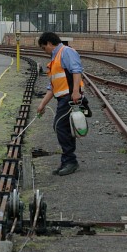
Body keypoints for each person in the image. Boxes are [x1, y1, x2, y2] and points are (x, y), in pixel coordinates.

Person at [36, 31, 85, 176]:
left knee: (60, 126)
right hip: (63, 97)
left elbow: (77, 71)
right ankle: (67, 161)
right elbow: (53, 86)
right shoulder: (55, 58)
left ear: (49, 43)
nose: (44, 52)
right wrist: (42, 105)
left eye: (44, 48)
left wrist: (75, 91)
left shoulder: (66, 52)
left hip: (70, 97)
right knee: (63, 128)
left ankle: (70, 161)